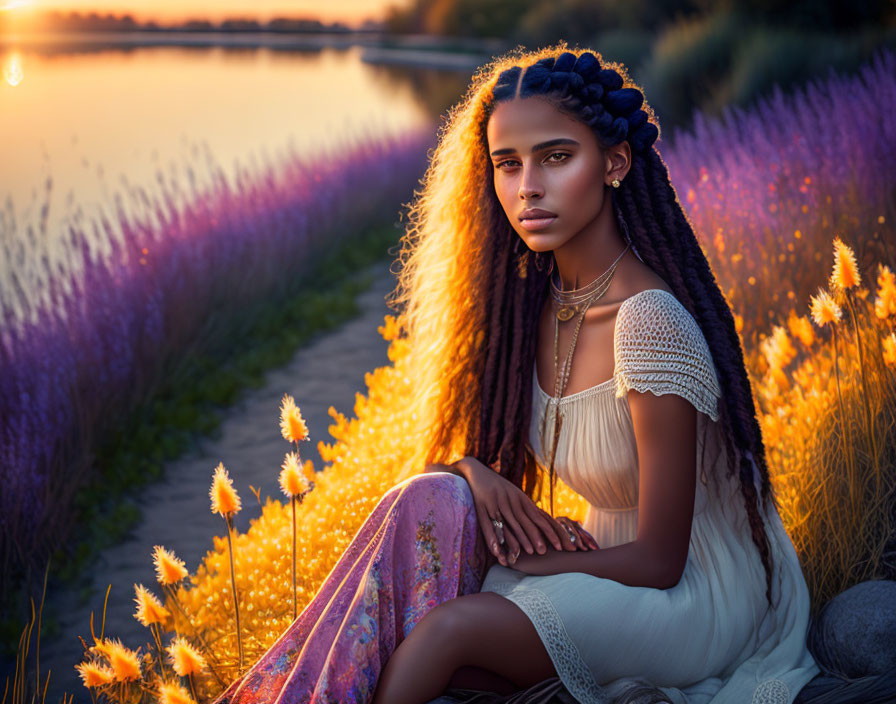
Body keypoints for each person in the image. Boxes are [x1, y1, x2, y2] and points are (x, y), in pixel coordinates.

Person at [212, 44, 821, 704]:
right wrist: (474, 473)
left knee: (445, 632)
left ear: (614, 163)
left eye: (557, 157)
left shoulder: (648, 322)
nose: (528, 185)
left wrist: (532, 563)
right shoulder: (535, 313)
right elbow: (473, 482)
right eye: (508, 164)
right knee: (420, 508)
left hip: (692, 595)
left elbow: (661, 559)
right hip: (599, 571)